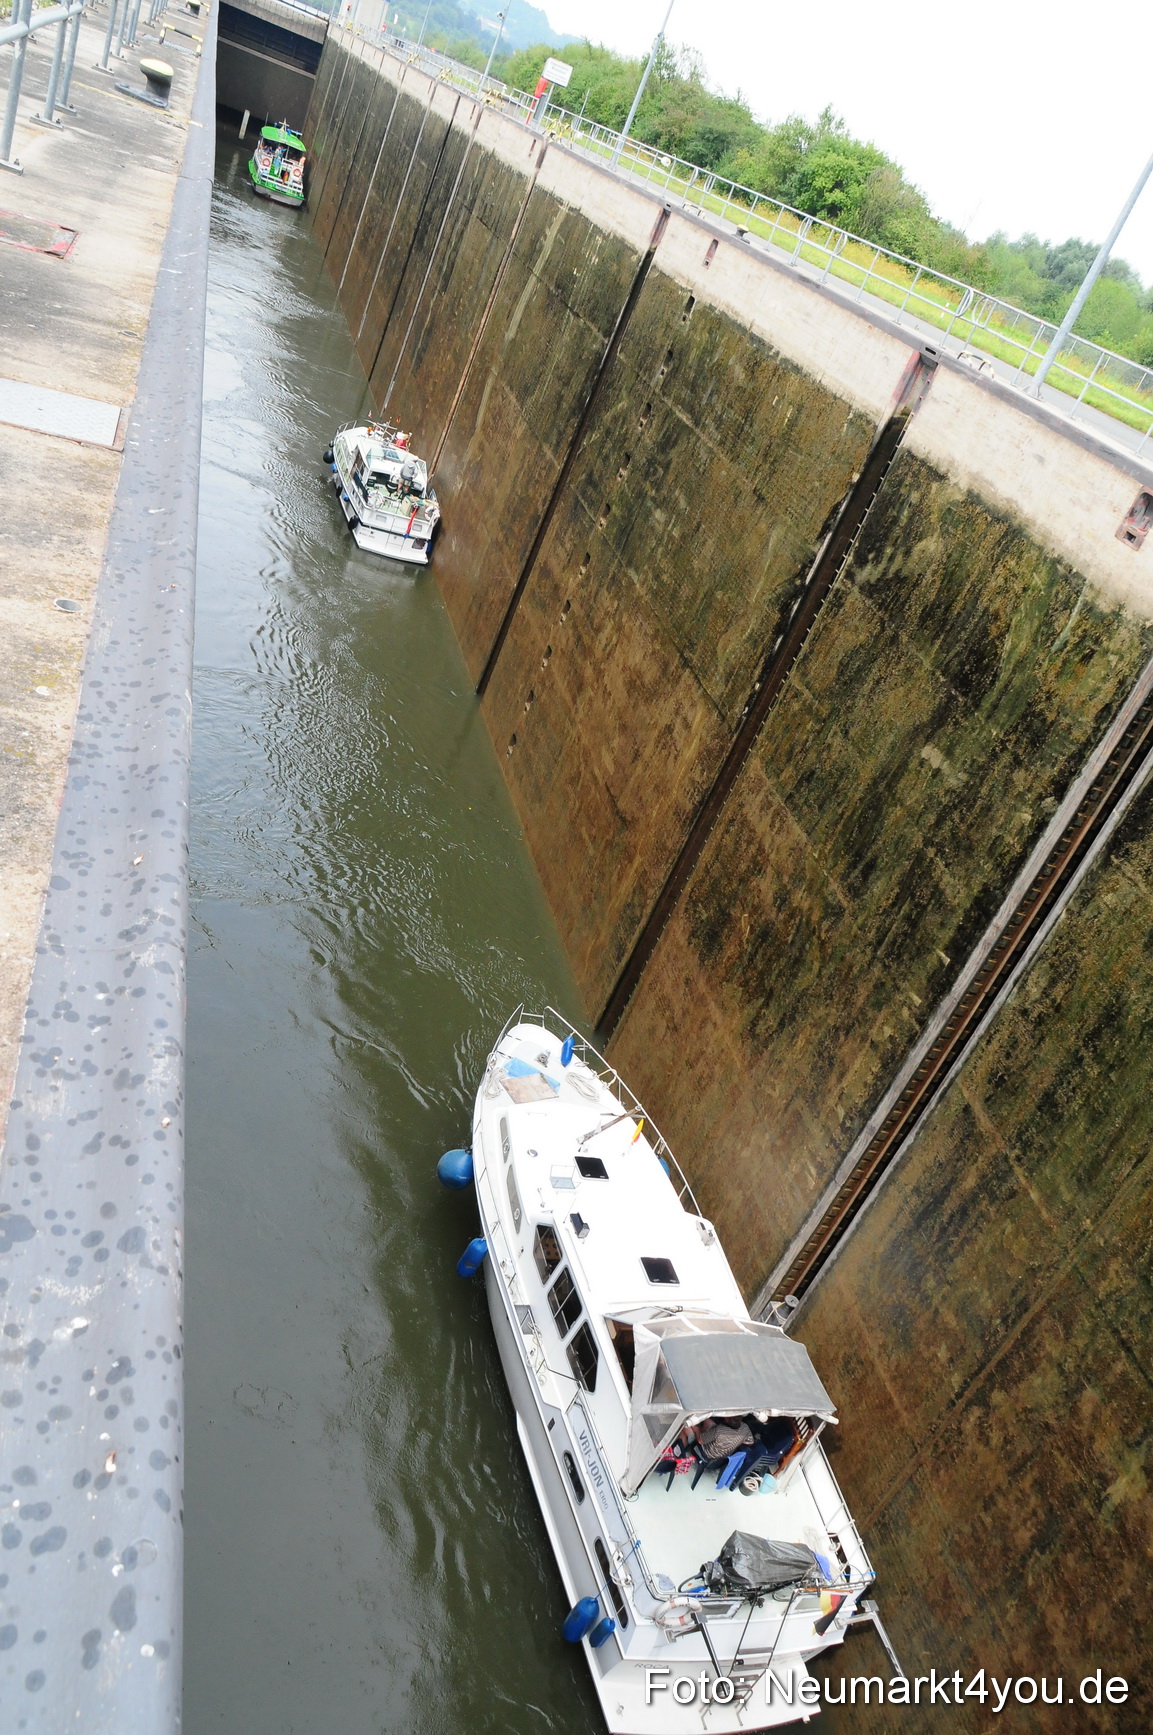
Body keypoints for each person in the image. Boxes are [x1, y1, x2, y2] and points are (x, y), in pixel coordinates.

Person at [686, 1416, 754, 1461]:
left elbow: (700, 1441)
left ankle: (682, 1450)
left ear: (727, 1419)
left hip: (706, 1454)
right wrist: (737, 1439)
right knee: (708, 1421)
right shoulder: (744, 1427)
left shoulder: (719, 1431)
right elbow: (751, 1442)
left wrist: (697, 1430)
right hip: (722, 1458)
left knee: (687, 1427)